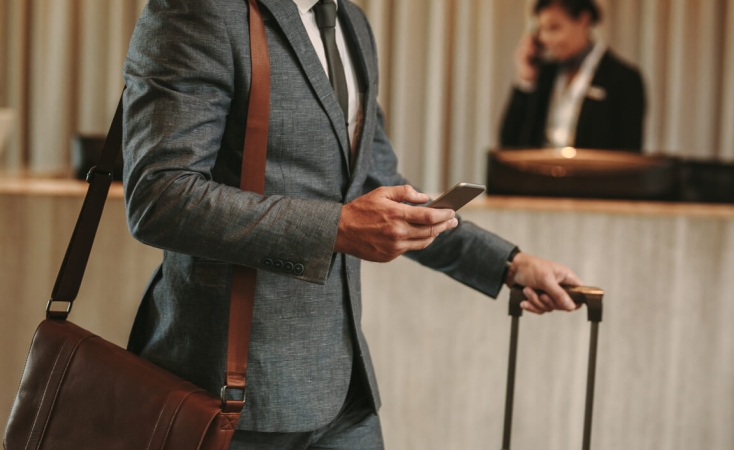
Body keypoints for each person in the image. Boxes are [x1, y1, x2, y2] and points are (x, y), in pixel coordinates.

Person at [122, 0, 583, 448]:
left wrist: (509, 265)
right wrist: (336, 228)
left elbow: (381, 182)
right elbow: (159, 197)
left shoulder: (353, 24)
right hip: (235, 390)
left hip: (344, 387)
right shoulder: (200, 10)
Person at [499, 0, 646, 152]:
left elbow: (628, 156)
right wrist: (526, 80)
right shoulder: (545, 74)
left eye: (554, 28)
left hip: (590, 174)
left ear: (584, 20)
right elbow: (509, 143)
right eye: (541, 30)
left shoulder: (623, 79)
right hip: (541, 173)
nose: (545, 38)